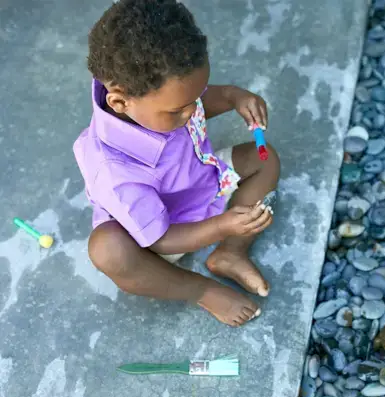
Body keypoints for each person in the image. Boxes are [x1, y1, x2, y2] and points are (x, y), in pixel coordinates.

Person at [73, 0, 280, 327]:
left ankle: (231, 252)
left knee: (263, 158)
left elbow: (198, 101)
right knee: (109, 251)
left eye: (194, 99)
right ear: (119, 101)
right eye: (179, 110)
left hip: (203, 181)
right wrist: (223, 224)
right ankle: (202, 291)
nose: (192, 112)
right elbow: (160, 239)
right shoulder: (113, 170)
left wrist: (234, 97)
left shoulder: (159, 99)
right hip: (159, 234)